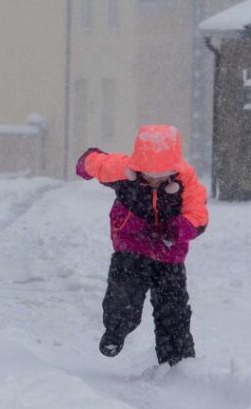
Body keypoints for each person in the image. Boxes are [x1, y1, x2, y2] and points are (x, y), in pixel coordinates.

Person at [74, 125, 209, 366]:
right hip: (132, 246)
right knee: (124, 293)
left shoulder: (186, 178)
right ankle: (115, 331)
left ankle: (176, 359)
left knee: (173, 308)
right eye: (149, 173)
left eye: (162, 174)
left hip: (169, 252)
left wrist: (179, 228)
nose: (155, 180)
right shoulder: (123, 171)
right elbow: (99, 163)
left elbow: (197, 211)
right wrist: (86, 163)